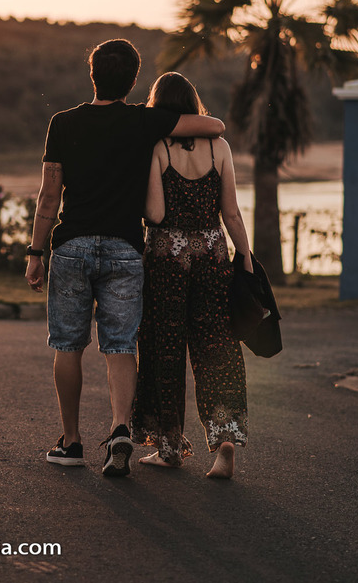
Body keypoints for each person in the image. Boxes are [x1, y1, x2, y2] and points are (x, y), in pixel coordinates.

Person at [25, 40, 224, 476]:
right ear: (134, 80)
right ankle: (119, 429)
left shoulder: (62, 123)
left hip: (72, 247)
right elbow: (214, 125)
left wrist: (35, 252)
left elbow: (48, 197)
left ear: (92, 74)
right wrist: (168, 120)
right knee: (120, 345)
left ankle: (72, 442)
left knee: (68, 345)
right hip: (125, 249)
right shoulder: (144, 121)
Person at [130, 72, 252, 479]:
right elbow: (231, 212)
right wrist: (246, 258)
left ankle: (168, 448)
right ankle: (225, 441)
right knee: (216, 346)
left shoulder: (158, 147)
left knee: (164, 350)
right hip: (214, 254)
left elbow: (157, 214)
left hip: (167, 259)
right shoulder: (220, 147)